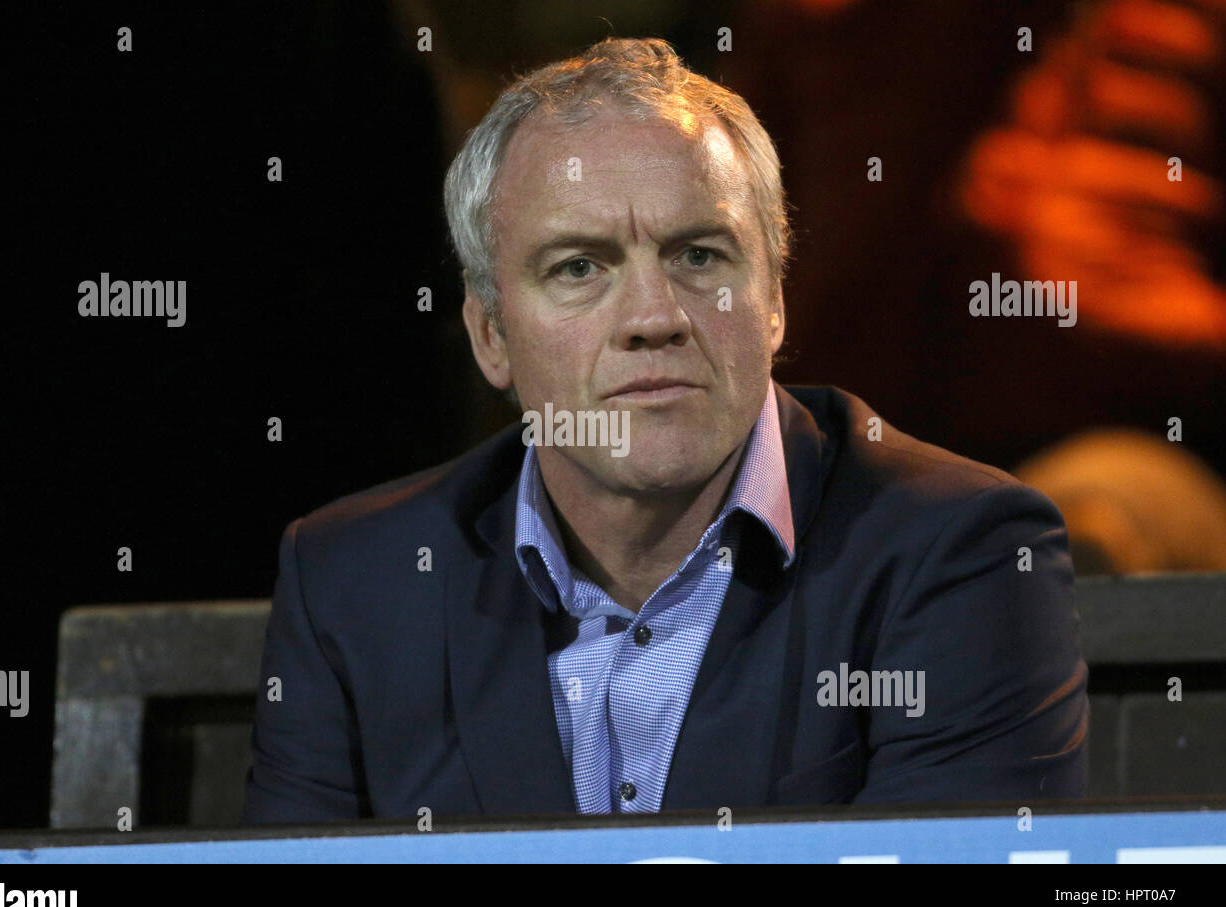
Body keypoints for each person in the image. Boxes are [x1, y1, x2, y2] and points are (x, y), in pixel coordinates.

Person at [242, 37, 1088, 823]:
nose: (654, 317)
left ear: (775, 301)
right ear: (490, 335)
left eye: (699, 257)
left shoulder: (959, 552)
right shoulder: (353, 583)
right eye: (578, 267)